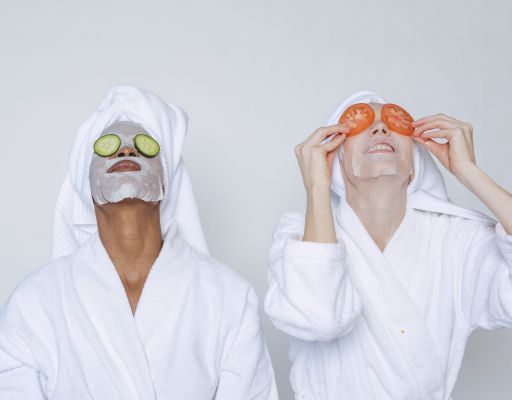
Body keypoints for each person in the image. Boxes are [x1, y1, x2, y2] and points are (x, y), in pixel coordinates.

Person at [0, 85, 278, 399]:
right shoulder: (32, 304)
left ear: (166, 179)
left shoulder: (230, 297)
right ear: (85, 181)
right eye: (109, 146)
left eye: (144, 146)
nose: (126, 151)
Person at [264, 90, 512, 399]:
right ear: (336, 159)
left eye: (395, 121)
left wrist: (469, 171)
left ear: (414, 164)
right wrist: (316, 187)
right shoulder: (300, 234)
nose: (381, 127)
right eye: (358, 121)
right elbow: (319, 319)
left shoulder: (455, 239)